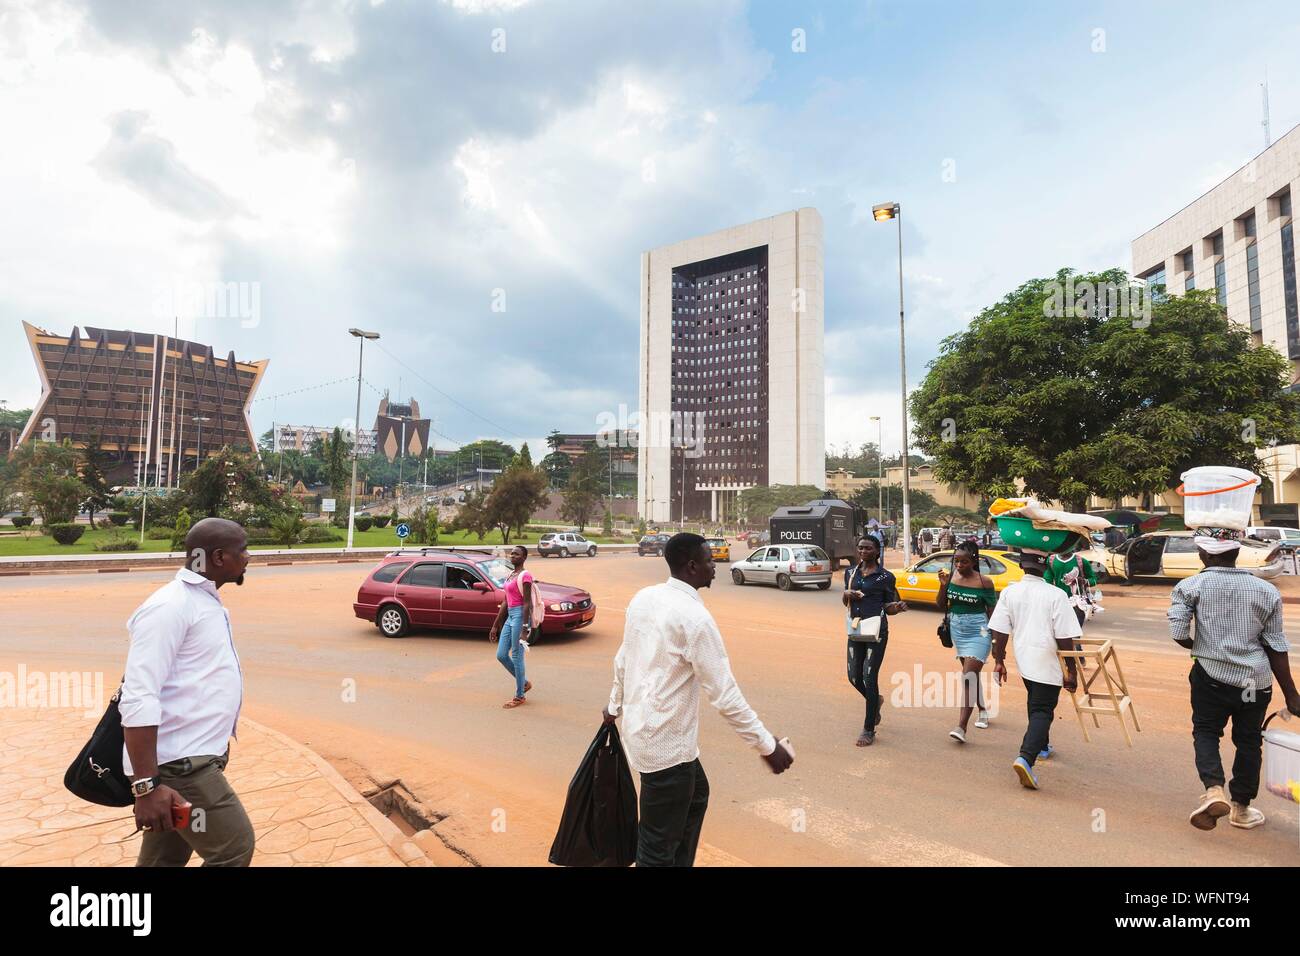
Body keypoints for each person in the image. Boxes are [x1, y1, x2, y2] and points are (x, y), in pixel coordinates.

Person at [603, 532, 792, 866]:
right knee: (654, 847)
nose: (716, 564)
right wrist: (767, 746)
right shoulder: (696, 620)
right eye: (708, 560)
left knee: (696, 796)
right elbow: (725, 695)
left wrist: (614, 704)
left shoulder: (645, 598)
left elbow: (624, 656)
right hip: (666, 748)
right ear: (691, 566)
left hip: (647, 734)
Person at [120, 517, 254, 866]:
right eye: (244, 550)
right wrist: (146, 788)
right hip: (181, 767)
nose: (249, 557)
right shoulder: (170, 606)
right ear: (220, 557)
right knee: (233, 848)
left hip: (188, 761)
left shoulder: (204, 602)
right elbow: (138, 696)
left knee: (163, 861)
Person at [1167, 537, 1300, 831]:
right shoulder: (1266, 590)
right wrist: (1292, 694)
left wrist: (1203, 647)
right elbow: (1276, 645)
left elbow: (1177, 631)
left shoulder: (1189, 587)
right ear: (1237, 553)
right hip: (1255, 683)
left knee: (1206, 731)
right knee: (1249, 740)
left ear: (1203, 554)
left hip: (1211, 680)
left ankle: (1214, 790)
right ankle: (1241, 808)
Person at [988, 549, 1081, 789]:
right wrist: (1071, 671)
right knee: (1043, 710)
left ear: (1021, 566)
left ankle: (1042, 745)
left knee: (1035, 701)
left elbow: (999, 631)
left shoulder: (1010, 592)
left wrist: (999, 660)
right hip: (1047, 661)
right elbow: (1065, 637)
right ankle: (1025, 758)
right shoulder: (1056, 595)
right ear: (1046, 568)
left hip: (1024, 659)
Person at [842, 535, 909, 745]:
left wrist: (896, 607)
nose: (863, 551)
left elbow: (888, 607)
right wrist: (847, 593)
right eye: (861, 548)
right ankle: (875, 700)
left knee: (870, 677)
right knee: (854, 676)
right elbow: (845, 601)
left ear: (877, 551)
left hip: (877, 632)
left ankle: (868, 729)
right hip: (855, 628)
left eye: (868, 548)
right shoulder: (850, 573)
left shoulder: (885, 577)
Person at [938, 542, 997, 742]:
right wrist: (943, 585)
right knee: (971, 675)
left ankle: (961, 727)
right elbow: (940, 604)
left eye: (964, 562)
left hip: (979, 631)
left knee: (968, 677)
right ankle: (982, 709)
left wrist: (996, 640)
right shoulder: (951, 577)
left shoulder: (984, 582)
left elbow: (992, 612)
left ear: (974, 561)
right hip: (957, 630)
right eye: (956, 561)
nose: (959, 565)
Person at [488, 544, 535, 708]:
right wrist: (495, 625)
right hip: (510, 616)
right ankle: (524, 682)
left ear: (524, 558)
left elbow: (527, 603)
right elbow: (505, 601)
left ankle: (519, 695)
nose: (512, 556)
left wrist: (524, 628)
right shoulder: (510, 575)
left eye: (516, 554)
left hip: (520, 616)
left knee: (517, 656)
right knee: (501, 655)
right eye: (512, 554)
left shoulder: (525, 576)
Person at [1044, 543, 1098, 630]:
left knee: (1076, 629)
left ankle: (1077, 642)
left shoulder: (1081, 561)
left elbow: (1094, 580)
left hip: (1077, 602)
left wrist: (1083, 581)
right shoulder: (1051, 560)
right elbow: (1047, 579)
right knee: (1061, 628)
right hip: (1059, 600)